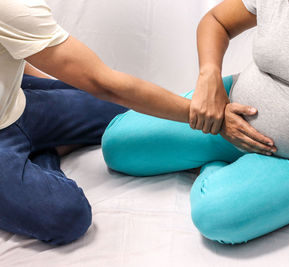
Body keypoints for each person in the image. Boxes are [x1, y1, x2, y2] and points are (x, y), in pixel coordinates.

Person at [102, 0, 289, 244]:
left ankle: (222, 168)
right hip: (229, 113)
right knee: (118, 145)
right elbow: (216, 21)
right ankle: (226, 156)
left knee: (216, 216)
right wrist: (209, 77)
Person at [0, 0, 268, 245]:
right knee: (67, 216)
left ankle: (35, 148)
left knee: (124, 113)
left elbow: (18, 47)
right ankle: (38, 154)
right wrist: (211, 120)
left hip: (17, 103)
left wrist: (56, 91)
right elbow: (102, 83)